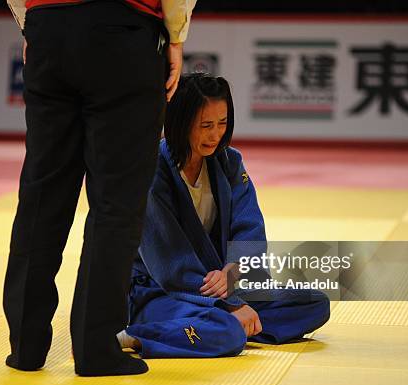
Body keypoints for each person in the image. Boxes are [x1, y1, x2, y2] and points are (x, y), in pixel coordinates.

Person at [3, 0, 197, 376]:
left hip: (49, 28)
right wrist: (176, 35)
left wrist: (31, 24)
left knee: (41, 195)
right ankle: (95, 349)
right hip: (122, 30)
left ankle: (25, 346)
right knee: (116, 204)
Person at [116, 74, 331, 358]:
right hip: (162, 289)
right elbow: (170, 260)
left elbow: (249, 226)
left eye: (223, 123)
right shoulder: (152, 169)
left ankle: (223, 327)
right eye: (206, 125)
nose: (216, 135)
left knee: (313, 302)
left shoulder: (229, 162)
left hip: (221, 282)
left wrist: (233, 272)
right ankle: (137, 337)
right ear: (180, 123)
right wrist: (230, 302)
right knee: (227, 331)